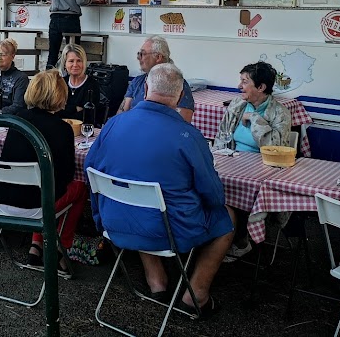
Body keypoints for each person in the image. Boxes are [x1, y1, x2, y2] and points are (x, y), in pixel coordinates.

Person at [85, 63, 234, 318]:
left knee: (143, 204)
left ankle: (156, 280)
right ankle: (196, 293)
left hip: (114, 222)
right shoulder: (188, 135)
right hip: (169, 231)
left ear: (144, 88)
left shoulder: (113, 125)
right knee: (228, 215)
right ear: (179, 96)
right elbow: (214, 196)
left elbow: (90, 169)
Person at [0, 69, 88, 278]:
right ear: (59, 95)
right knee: (79, 187)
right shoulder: (62, 128)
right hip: (36, 206)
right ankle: (60, 249)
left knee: (44, 186)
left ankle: (36, 246)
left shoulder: (17, 120)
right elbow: (67, 176)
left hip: (2, 200)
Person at [216, 61, 291, 261]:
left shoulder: (280, 113)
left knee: (240, 191)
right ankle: (218, 237)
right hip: (232, 162)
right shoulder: (237, 105)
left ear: (261, 87)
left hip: (262, 170)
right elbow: (222, 138)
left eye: (244, 81)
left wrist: (255, 120)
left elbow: (275, 149)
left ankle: (241, 241)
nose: (239, 86)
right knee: (210, 183)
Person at [117, 35, 195, 122]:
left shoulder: (178, 84)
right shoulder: (137, 81)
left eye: (142, 54)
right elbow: (121, 115)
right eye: (139, 54)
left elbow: (183, 124)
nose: (138, 58)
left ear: (158, 57)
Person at [56, 43, 100, 124]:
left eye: (79, 61)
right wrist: (74, 108)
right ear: (65, 64)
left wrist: (65, 108)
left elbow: (87, 115)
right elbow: (55, 110)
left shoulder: (92, 85)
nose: (75, 65)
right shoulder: (60, 83)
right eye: (71, 61)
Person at [0, 38, 29, 115]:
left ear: (12, 56)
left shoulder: (21, 78)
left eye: (2, 55)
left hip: (8, 120)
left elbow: (18, 106)